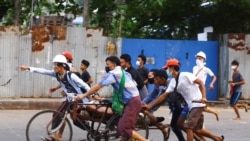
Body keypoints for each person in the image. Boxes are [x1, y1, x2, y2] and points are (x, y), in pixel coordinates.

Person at [142, 58, 224, 141]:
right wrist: (150, 106)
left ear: (172, 68)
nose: (167, 71)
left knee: (188, 127)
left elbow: (201, 83)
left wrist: (203, 97)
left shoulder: (186, 75)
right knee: (185, 126)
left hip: (197, 104)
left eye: (168, 68)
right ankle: (217, 139)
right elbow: (164, 96)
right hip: (189, 106)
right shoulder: (173, 82)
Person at [75, 56, 150, 141]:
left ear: (114, 65)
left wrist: (83, 95)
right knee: (125, 129)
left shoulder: (114, 73)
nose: (107, 66)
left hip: (132, 102)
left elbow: (98, 86)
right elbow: (134, 84)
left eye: (108, 64)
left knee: (124, 128)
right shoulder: (124, 72)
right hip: (132, 100)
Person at [18, 54, 91, 141]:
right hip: (70, 100)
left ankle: (92, 131)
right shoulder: (56, 74)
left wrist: (92, 95)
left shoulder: (71, 75)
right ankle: (54, 136)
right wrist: (28, 68)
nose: (55, 67)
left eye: (57, 65)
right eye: (54, 64)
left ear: (62, 66)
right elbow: (43, 71)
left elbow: (85, 85)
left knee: (75, 120)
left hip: (80, 100)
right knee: (57, 114)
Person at [193, 51, 219, 121]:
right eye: (197, 58)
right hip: (194, 87)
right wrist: (199, 69)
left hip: (201, 88)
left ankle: (200, 122)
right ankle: (215, 112)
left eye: (200, 58)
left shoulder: (206, 69)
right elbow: (194, 76)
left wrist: (211, 84)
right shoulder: (195, 68)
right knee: (196, 105)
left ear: (204, 60)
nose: (198, 60)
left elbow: (214, 77)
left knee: (201, 105)